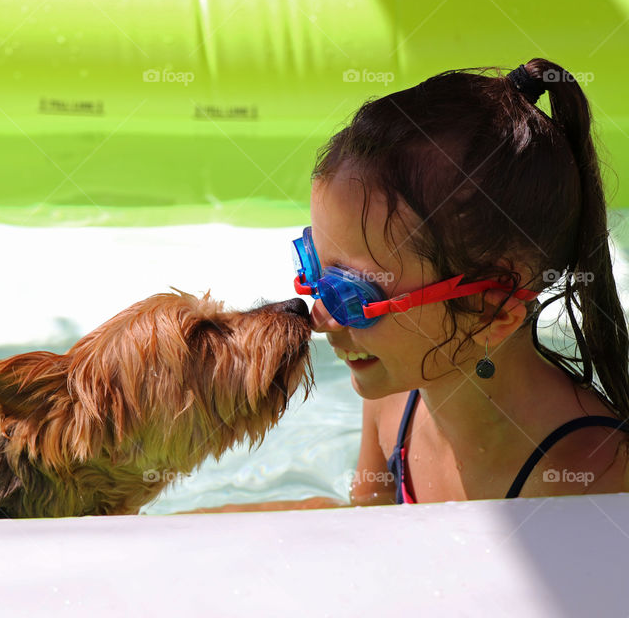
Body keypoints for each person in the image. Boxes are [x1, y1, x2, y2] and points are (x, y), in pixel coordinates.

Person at [194, 58, 629, 512]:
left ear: (490, 312)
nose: (318, 318)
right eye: (315, 272)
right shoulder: (394, 395)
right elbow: (368, 525)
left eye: (352, 295)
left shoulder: (591, 480)